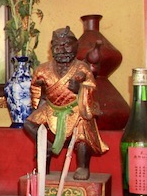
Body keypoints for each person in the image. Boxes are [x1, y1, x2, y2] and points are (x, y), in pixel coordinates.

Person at [23, 27, 108, 180]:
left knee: (83, 131)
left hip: (75, 108)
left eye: (67, 45)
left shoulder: (81, 67)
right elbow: (35, 88)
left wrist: (80, 89)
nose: (62, 51)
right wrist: (38, 102)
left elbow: (92, 87)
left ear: (76, 46)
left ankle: (82, 166)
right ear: (52, 49)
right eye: (57, 47)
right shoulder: (42, 69)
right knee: (29, 124)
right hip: (51, 107)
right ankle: (45, 146)